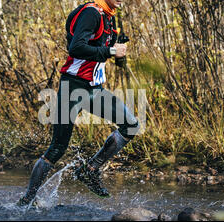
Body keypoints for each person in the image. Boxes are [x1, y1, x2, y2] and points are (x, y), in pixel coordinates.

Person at [18, 0, 139, 206]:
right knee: (57, 149)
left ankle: (90, 170)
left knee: (131, 126)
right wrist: (111, 51)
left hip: (94, 89)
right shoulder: (91, 13)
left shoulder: (110, 16)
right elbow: (76, 48)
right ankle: (27, 201)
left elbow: (109, 54)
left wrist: (120, 52)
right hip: (73, 88)